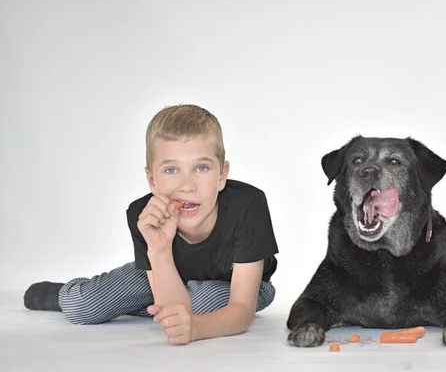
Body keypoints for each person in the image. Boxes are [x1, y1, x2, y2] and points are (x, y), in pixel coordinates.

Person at [23, 104, 279, 345]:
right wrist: (159, 249)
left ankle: (131, 305)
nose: (187, 186)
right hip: (163, 273)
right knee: (83, 306)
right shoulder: (144, 214)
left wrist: (195, 328)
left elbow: (241, 309)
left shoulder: (249, 204)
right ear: (152, 180)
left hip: (239, 285)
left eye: (201, 168)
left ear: (222, 176)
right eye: (171, 170)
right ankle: (82, 295)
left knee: (207, 302)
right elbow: (170, 297)